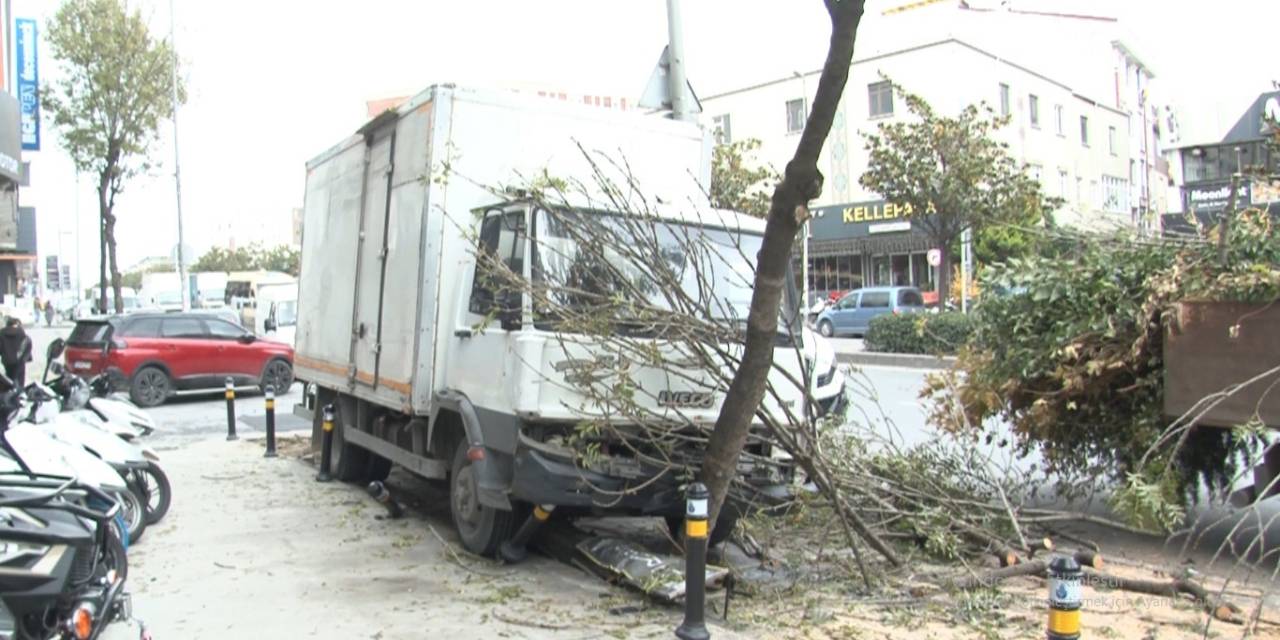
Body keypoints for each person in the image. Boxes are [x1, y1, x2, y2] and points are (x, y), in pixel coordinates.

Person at [0, 318, 32, 391]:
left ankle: (10, 392)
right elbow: (26, 345)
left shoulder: (2, 333)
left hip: (7, 361)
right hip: (20, 360)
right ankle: (18, 393)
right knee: (20, 379)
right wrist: (27, 358)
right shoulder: (21, 332)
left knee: (9, 378)